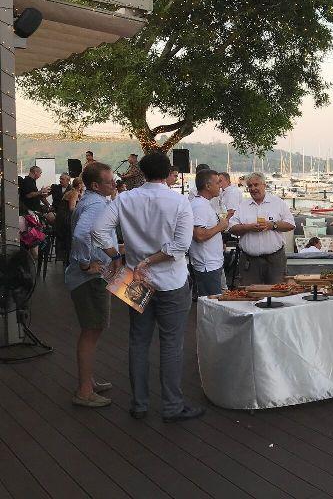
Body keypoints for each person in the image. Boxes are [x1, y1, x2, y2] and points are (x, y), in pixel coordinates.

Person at [92, 151, 204, 423]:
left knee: (138, 342)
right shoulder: (179, 201)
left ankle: (139, 403)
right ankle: (172, 406)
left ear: (141, 172)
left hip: (134, 280)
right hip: (172, 282)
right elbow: (179, 247)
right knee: (171, 344)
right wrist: (151, 260)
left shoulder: (125, 199)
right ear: (168, 173)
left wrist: (118, 257)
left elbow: (97, 230)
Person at [65, 162, 116, 408]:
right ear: (96, 185)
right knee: (91, 331)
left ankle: (88, 380)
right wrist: (86, 264)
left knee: (92, 330)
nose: (114, 184)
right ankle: (84, 390)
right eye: (109, 181)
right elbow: (81, 235)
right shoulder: (96, 204)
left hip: (89, 276)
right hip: (90, 279)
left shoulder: (91, 200)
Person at [229, 173, 296, 285]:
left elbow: (291, 224)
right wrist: (248, 227)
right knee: (251, 297)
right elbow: (231, 228)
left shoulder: (278, 203)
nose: (253, 189)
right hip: (250, 263)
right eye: (250, 186)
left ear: (264, 185)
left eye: (256, 185)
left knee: (277, 295)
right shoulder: (243, 206)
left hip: (275, 261)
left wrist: (272, 225)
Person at [189, 169, 229, 297]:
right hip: (207, 265)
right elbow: (199, 235)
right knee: (212, 305)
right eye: (217, 183)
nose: (220, 186)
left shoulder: (204, 203)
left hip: (212, 263)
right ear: (207, 186)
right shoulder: (200, 206)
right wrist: (220, 227)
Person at [54, 177, 84, 261]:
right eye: (83, 184)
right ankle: (73, 255)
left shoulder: (73, 192)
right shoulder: (74, 193)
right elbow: (71, 208)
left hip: (61, 217)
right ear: (79, 185)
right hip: (65, 218)